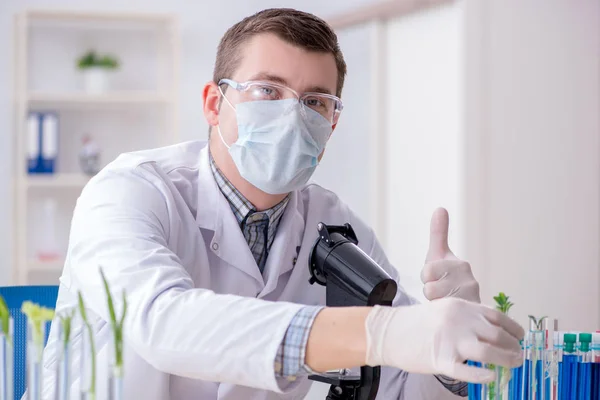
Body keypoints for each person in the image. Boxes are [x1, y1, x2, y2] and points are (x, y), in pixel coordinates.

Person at [40, 8, 524, 400]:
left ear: (332, 123)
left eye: (316, 101)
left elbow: (399, 383)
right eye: (268, 90)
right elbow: (163, 323)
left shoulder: (335, 225)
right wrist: (379, 331)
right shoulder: (129, 192)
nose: (292, 113)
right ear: (214, 104)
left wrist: (454, 352)